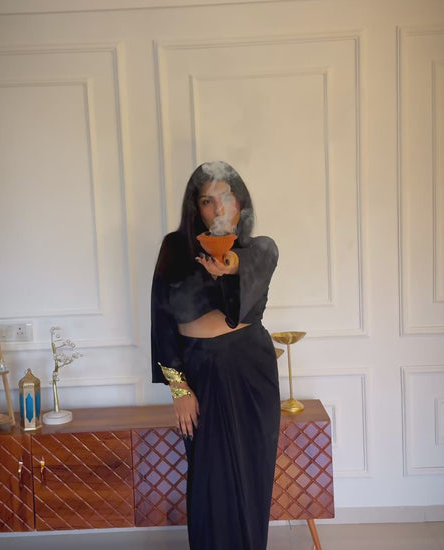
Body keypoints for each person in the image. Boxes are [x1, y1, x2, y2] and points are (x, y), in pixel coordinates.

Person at [151, 161, 280, 550]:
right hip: (200, 370)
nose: (218, 207)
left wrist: (227, 266)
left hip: (250, 368)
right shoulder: (175, 248)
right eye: (207, 200)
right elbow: (161, 321)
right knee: (208, 479)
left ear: (240, 202)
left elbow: (249, 270)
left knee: (251, 475)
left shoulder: (258, 249)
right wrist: (178, 388)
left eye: (226, 196)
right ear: (196, 208)